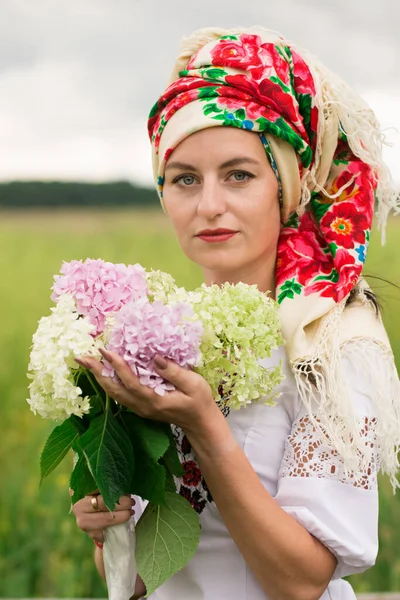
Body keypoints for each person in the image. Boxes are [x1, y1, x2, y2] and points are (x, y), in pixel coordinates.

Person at [72, 27, 400, 599]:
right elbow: (146, 580)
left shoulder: (329, 341)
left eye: (239, 174)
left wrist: (205, 428)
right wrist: (112, 531)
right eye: (184, 180)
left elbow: (300, 582)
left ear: (287, 185)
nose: (209, 206)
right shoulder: (159, 334)